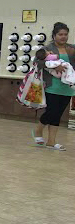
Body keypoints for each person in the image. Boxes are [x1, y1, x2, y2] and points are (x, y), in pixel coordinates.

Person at [33, 22, 75, 151]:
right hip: (51, 85)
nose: (63, 37)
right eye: (60, 34)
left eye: (65, 34)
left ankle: (51, 142)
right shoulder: (47, 48)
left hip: (67, 86)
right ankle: (38, 130)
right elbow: (37, 62)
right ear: (54, 35)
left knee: (58, 114)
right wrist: (53, 65)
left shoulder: (72, 48)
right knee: (51, 112)